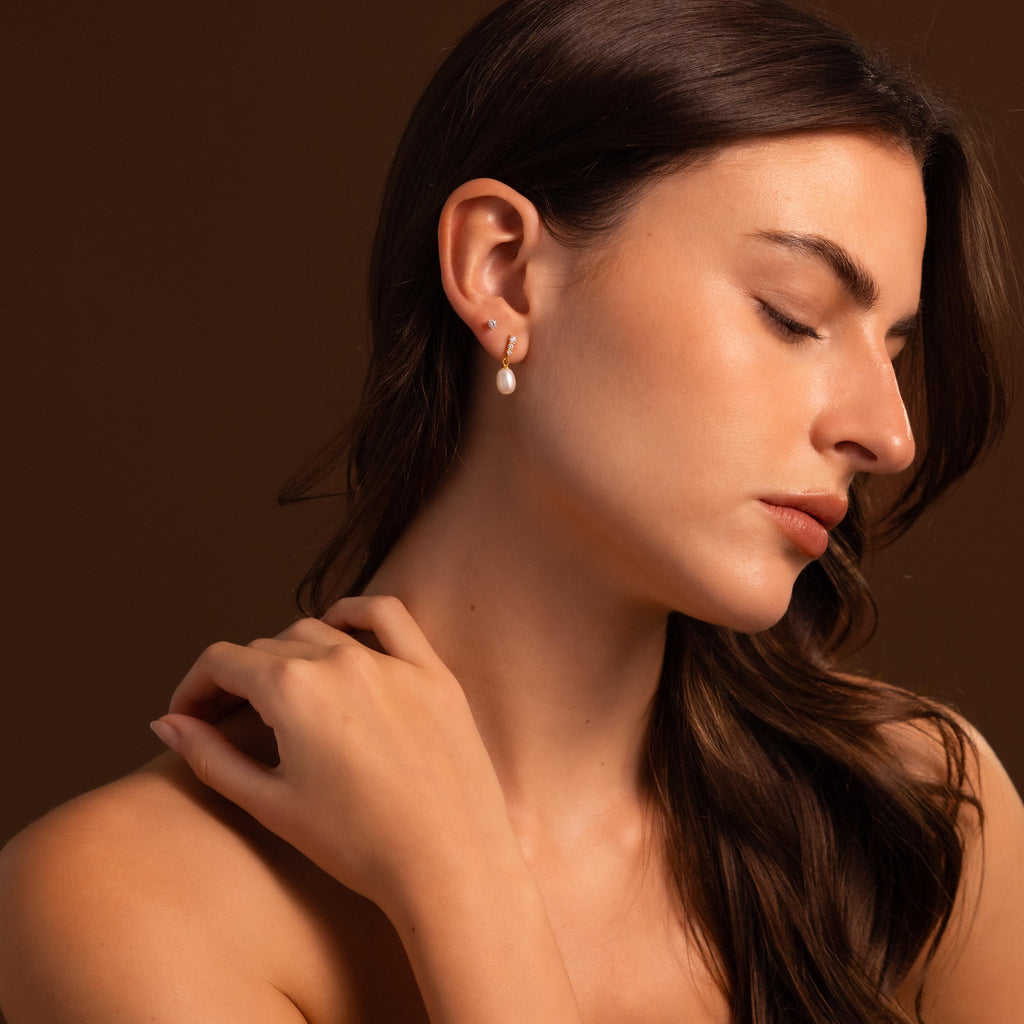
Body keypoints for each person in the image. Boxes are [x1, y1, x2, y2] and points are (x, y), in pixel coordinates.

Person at [1, 0, 1022, 1021]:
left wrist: (461, 883)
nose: (889, 436)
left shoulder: (920, 817)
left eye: (892, 352)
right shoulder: (133, 900)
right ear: (502, 272)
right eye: (792, 315)